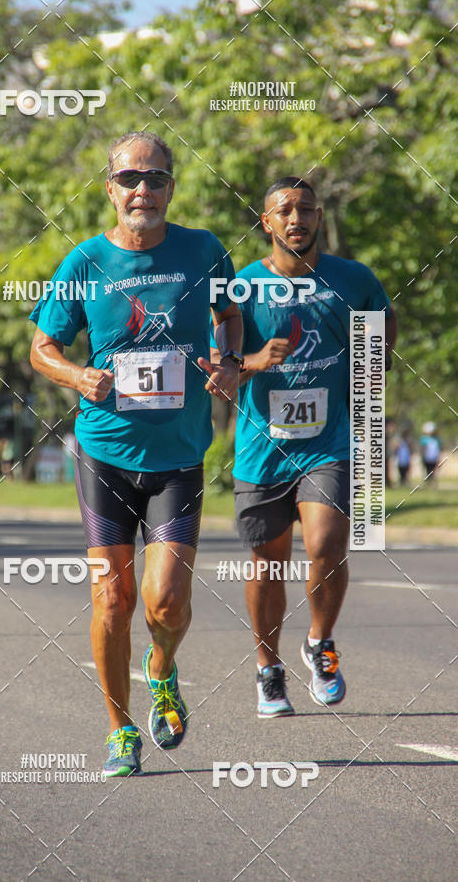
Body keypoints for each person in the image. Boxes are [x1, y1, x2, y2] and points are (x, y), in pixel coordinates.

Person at [29, 132, 242, 775]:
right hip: (105, 456)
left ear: (171, 188)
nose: (142, 189)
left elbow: (230, 316)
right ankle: (120, 727)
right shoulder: (84, 262)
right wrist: (75, 377)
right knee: (112, 601)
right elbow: (42, 348)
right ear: (110, 188)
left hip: (177, 456)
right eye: (130, 179)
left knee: (166, 603)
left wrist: (229, 362)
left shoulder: (203, 250)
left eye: (154, 179)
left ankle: (163, 669)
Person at [213, 176, 397, 717]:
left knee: (326, 543)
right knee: (268, 562)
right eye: (284, 210)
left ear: (319, 218)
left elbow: (382, 330)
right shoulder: (239, 288)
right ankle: (268, 668)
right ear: (266, 222)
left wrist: (375, 355)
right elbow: (220, 373)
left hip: (328, 442)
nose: (296, 219)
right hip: (262, 448)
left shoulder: (353, 280)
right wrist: (252, 362)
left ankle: (319, 643)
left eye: (306, 209)